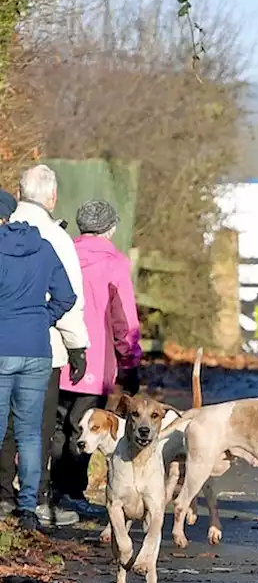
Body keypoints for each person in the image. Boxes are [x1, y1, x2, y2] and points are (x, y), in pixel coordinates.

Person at [6, 165, 87, 527]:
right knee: (34, 428)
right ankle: (33, 502)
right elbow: (70, 298)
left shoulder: (4, 231)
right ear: (52, 197)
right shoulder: (53, 239)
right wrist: (76, 345)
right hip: (42, 347)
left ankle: (4, 498)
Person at [52, 201, 141, 517]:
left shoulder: (62, 252)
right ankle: (72, 493)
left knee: (58, 425)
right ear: (110, 228)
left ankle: (53, 490)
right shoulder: (115, 262)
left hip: (59, 352)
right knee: (84, 427)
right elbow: (123, 318)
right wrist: (130, 360)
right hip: (96, 358)